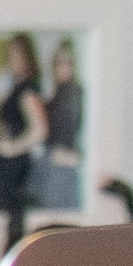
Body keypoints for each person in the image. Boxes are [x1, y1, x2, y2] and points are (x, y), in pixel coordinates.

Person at [0, 34, 49, 226]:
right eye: (11, 54)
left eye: (18, 54)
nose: (13, 59)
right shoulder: (16, 86)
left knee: (16, 218)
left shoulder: (27, 89)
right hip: (9, 165)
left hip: (17, 167)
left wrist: (13, 148)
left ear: (27, 56)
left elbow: (41, 130)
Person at [36, 38, 87, 211]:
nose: (63, 67)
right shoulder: (56, 95)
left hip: (64, 169)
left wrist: (75, 156)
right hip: (51, 166)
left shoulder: (76, 94)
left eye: (68, 62)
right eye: (59, 62)